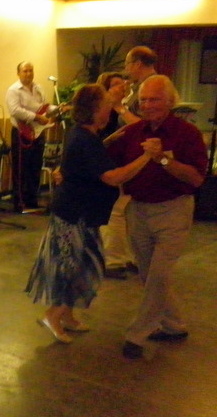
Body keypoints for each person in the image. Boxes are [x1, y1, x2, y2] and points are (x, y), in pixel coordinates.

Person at [26, 84, 160, 343]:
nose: (109, 110)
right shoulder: (84, 139)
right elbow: (112, 177)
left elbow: (91, 157)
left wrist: (114, 139)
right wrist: (147, 157)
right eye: (106, 105)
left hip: (81, 213)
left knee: (84, 264)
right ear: (94, 110)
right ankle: (53, 315)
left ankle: (67, 315)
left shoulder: (85, 135)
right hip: (74, 215)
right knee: (74, 267)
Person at [107, 75, 208, 359]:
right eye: (143, 100)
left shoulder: (187, 133)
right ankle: (174, 325)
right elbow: (107, 163)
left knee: (159, 275)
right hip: (138, 210)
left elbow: (196, 178)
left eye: (155, 99)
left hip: (173, 211)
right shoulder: (132, 132)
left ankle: (137, 334)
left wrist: (162, 158)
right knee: (149, 275)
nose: (148, 105)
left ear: (170, 101)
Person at [96, 71, 142, 280]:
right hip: (110, 166)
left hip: (128, 165)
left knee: (127, 214)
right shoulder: (104, 111)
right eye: (114, 84)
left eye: (121, 82)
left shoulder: (127, 106)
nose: (121, 86)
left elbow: (140, 128)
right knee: (113, 214)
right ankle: (114, 261)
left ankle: (126, 258)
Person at [6, 61, 57, 212]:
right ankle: (20, 203)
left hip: (38, 132)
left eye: (31, 71)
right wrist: (36, 117)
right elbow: (15, 110)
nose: (28, 74)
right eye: (25, 71)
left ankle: (32, 200)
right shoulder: (13, 90)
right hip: (21, 133)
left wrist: (57, 109)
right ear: (18, 73)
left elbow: (43, 107)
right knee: (21, 168)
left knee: (35, 167)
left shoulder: (38, 88)